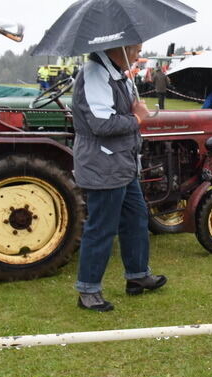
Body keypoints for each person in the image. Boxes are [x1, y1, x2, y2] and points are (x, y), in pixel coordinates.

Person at [71, 43, 167, 312]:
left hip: (121, 162)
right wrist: (137, 119)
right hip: (103, 163)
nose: (137, 54)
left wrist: (134, 108)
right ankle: (88, 290)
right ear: (119, 48)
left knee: (136, 218)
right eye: (135, 49)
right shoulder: (94, 73)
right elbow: (101, 124)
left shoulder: (114, 73)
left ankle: (137, 276)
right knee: (102, 227)